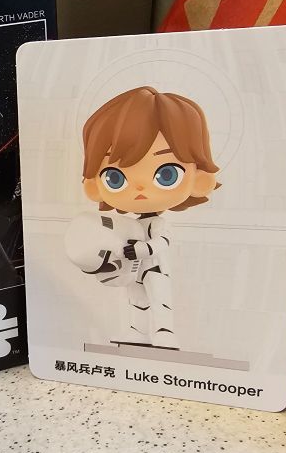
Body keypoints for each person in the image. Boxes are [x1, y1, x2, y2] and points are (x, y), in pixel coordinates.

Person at [69, 85, 220, 349]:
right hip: (134, 269)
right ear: (94, 186)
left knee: (160, 298)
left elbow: (163, 242)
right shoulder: (130, 224)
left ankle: (164, 331)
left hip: (155, 267)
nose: (139, 188)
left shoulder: (157, 223)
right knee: (136, 299)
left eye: (167, 174)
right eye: (115, 177)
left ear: (199, 180)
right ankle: (137, 332)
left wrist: (143, 249)